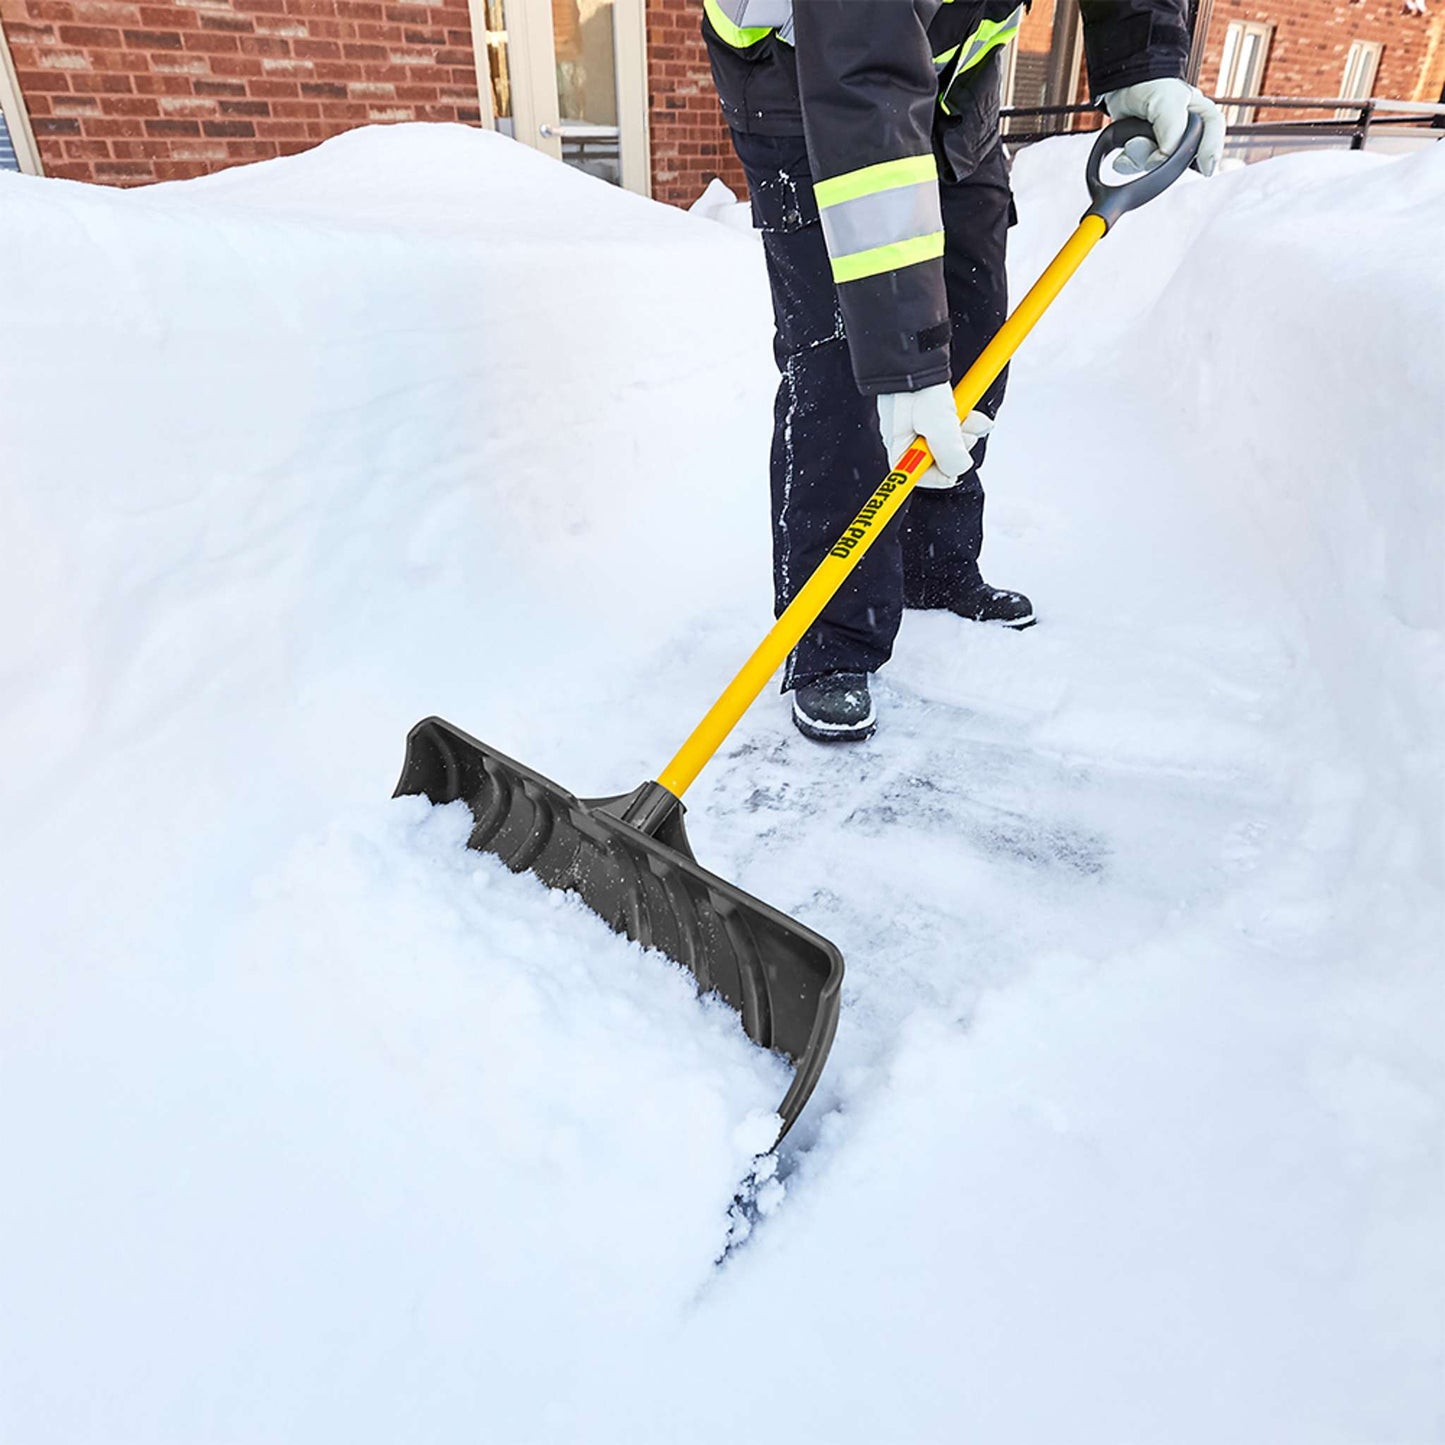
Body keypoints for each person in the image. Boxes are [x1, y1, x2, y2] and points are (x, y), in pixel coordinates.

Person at [702, 0, 1225, 741]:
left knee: (973, 335)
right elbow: (863, 74)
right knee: (851, 366)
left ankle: (933, 564)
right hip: (805, 84)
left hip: (952, 83)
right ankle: (830, 642)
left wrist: (1143, 64)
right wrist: (900, 363)